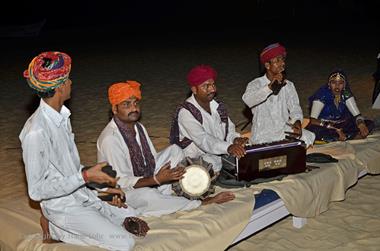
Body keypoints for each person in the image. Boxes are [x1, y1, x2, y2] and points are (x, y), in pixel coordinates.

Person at [19, 51, 148, 250]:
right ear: (60, 86)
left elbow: (71, 167)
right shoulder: (36, 132)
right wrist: (86, 176)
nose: (71, 83)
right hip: (61, 206)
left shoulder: (62, 117)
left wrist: (101, 189)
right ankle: (56, 230)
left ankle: (97, 219)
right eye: (68, 79)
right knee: (124, 242)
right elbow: (36, 191)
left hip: (80, 194)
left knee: (130, 213)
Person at [97, 81, 235, 216]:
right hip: (121, 192)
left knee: (175, 150)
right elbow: (122, 182)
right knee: (147, 195)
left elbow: (151, 158)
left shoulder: (138, 127)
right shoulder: (111, 139)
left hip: (144, 177)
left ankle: (165, 195)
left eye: (135, 103)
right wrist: (157, 179)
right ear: (115, 109)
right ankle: (197, 203)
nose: (134, 108)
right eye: (126, 104)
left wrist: (162, 175)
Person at [170, 65, 248, 173]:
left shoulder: (217, 106)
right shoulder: (186, 112)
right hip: (196, 160)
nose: (212, 89)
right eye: (206, 86)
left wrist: (235, 139)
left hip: (218, 153)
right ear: (194, 89)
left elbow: (228, 131)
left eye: (213, 84)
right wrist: (228, 147)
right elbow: (203, 139)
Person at [242, 42, 315, 146]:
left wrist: (297, 121)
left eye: (282, 60)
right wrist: (269, 88)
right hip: (263, 133)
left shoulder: (288, 85)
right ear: (267, 65)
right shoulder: (256, 84)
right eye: (277, 60)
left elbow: (295, 107)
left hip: (282, 130)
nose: (282, 63)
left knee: (308, 136)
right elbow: (248, 100)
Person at [306, 69, 374, 142]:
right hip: (326, 126)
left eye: (340, 83)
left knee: (369, 123)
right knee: (313, 131)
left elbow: (357, 115)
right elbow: (313, 120)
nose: (337, 86)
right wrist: (333, 128)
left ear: (344, 85)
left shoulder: (346, 94)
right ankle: (344, 137)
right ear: (329, 84)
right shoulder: (321, 96)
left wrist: (361, 124)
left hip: (343, 125)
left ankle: (342, 137)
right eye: (333, 83)